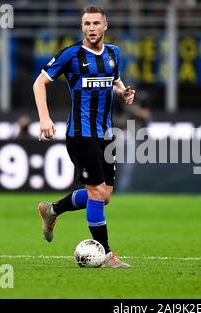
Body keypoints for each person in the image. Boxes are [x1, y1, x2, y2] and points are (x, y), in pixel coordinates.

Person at [32, 6, 135, 268]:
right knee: (97, 192)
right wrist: (44, 118)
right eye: (86, 23)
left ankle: (52, 210)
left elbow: (113, 78)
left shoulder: (114, 53)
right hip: (80, 133)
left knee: (104, 196)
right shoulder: (71, 55)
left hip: (106, 134)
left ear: (105, 26)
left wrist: (123, 91)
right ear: (82, 27)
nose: (91, 28)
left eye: (96, 23)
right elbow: (39, 83)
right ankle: (107, 255)